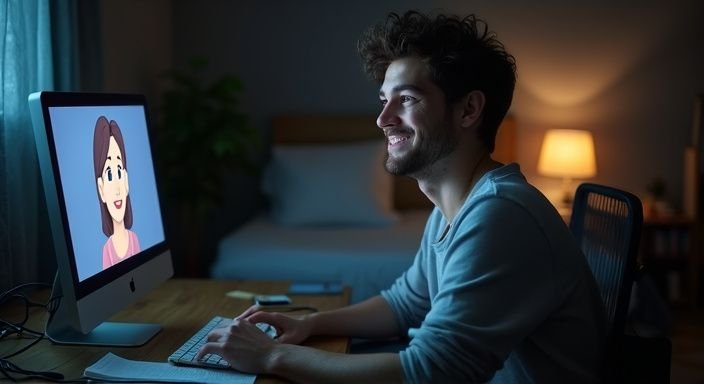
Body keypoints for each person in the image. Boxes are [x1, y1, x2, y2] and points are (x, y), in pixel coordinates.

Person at [198, 10, 607, 383]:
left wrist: (269, 357)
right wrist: (313, 324)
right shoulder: (455, 206)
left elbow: (430, 373)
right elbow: (406, 303)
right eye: (383, 100)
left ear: (468, 111)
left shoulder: (502, 214)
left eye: (407, 99)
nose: (382, 119)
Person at [93, 116, 141, 270]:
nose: (117, 189)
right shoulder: (107, 250)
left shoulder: (134, 239)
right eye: (109, 174)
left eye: (119, 172)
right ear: (101, 189)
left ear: (126, 181)